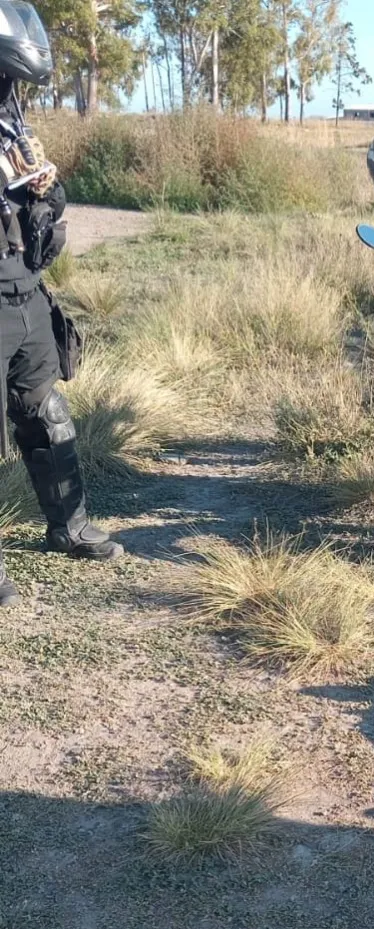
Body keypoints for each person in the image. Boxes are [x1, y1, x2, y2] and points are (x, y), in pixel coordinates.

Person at [0, 2, 122, 607]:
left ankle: (68, 527)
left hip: (24, 292)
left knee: (47, 412)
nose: (13, 90)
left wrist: (46, 188)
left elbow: (39, 217)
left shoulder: (11, 123)